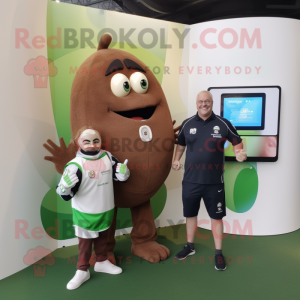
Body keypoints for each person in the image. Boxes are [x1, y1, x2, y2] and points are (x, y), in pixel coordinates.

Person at [173, 90, 247, 271]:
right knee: (190, 214)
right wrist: (176, 159)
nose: (203, 104)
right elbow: (181, 144)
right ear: (196, 103)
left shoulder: (223, 123)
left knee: (217, 217)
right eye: (200, 101)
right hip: (191, 180)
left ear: (212, 103)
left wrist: (239, 153)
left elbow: (237, 140)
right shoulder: (187, 123)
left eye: (207, 101)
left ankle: (218, 253)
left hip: (214, 182)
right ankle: (190, 246)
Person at [56, 127, 130, 290]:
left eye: (95, 141)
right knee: (84, 243)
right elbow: (64, 195)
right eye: (86, 141)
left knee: (103, 237)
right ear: (78, 143)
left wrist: (123, 174)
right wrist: (64, 187)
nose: (91, 145)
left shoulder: (108, 157)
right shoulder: (75, 165)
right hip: (85, 212)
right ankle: (82, 270)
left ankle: (102, 261)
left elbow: (119, 174)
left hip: (106, 208)